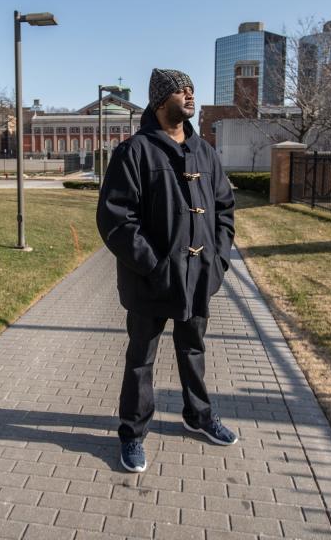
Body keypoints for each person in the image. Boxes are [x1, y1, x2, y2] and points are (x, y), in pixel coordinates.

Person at [96, 68, 237, 473]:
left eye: (192, 89)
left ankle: (199, 415)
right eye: (181, 90)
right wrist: (154, 265)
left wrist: (218, 258)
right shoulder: (134, 152)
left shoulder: (205, 153)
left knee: (193, 351)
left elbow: (225, 209)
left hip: (198, 278)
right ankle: (132, 433)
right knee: (141, 357)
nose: (190, 95)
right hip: (151, 281)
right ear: (161, 101)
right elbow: (116, 220)